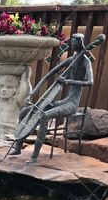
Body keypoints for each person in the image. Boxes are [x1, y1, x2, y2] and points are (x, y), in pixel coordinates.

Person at [10, 33, 93, 161]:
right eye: (71, 41)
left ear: (80, 42)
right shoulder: (71, 60)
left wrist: (68, 81)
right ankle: (18, 148)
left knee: (45, 115)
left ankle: (34, 156)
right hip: (64, 100)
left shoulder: (85, 61)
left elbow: (90, 82)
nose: (72, 43)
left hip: (72, 103)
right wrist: (32, 93)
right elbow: (47, 76)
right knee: (24, 113)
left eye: (75, 41)